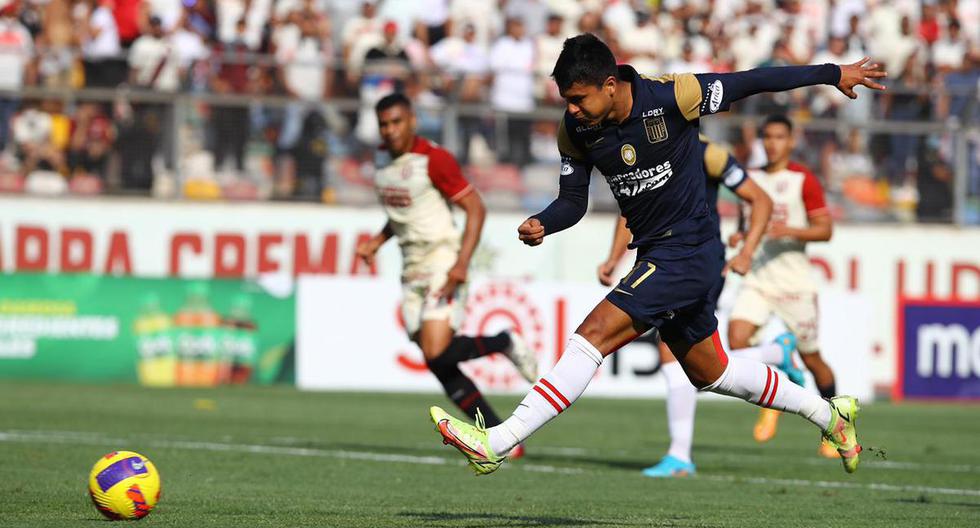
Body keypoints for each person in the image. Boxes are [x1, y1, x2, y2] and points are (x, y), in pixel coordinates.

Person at [429, 33, 885, 476]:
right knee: (712, 373)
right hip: (656, 252)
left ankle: (498, 442)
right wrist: (545, 222)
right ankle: (831, 417)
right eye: (566, 99)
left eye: (579, 98)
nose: (571, 109)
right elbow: (573, 201)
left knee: (593, 334)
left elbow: (750, 81)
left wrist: (832, 73)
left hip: (690, 248)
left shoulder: (674, 95)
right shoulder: (576, 130)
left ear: (610, 85)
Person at [596, 134, 803, 477]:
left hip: (696, 262)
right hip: (666, 262)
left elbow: (758, 199)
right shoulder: (651, 152)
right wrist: (614, 257)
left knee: (675, 355)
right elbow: (628, 213)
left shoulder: (708, 153)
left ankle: (680, 455)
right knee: (691, 359)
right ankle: (774, 354)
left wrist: (747, 252)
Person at [358, 93, 538, 458]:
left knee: (436, 348)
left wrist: (460, 263)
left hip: (442, 257)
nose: (390, 130)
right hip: (411, 267)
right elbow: (403, 213)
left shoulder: (433, 159)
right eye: (384, 124)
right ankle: (501, 437)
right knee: (436, 359)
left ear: (412, 121)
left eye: (396, 122)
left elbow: (475, 207)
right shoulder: (380, 160)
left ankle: (504, 342)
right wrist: (378, 240)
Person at [728, 115, 840, 458]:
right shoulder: (751, 179)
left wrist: (789, 230)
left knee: (814, 359)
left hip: (795, 284)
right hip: (759, 280)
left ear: (792, 141)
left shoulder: (802, 179)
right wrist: (741, 236)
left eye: (780, 137)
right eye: (768, 137)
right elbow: (747, 225)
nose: (773, 143)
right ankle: (774, 390)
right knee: (736, 339)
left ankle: (836, 426)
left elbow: (825, 230)